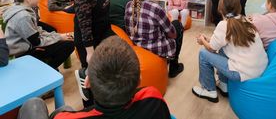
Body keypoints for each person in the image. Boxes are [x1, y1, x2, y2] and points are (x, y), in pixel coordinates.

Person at [17, 36, 172, 119]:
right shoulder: (154, 98)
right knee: (65, 109)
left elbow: (60, 116)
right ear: (139, 79)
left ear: (88, 82)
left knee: (34, 104)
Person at [192, 0, 268, 103]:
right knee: (223, 48)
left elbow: (211, 49)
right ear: (239, 6)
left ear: (220, 8)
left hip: (242, 72)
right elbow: (221, 42)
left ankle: (209, 90)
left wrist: (203, 41)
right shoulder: (245, 20)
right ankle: (224, 85)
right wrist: (208, 39)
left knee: (203, 54)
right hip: (259, 68)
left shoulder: (224, 24)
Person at [2, 0, 74, 70]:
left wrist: (57, 36)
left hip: (29, 45)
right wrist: (59, 37)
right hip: (24, 52)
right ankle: (48, 70)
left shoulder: (24, 9)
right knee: (69, 44)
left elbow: (37, 31)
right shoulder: (23, 16)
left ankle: (48, 68)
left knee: (62, 40)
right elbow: (37, 42)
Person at [125, 0, 184, 78]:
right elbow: (172, 34)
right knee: (177, 25)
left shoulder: (129, 4)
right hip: (153, 47)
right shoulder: (156, 8)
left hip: (136, 44)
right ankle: (174, 67)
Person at [73, 0, 114, 104]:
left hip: (103, 31)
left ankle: (106, 99)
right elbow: (85, 27)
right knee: (92, 74)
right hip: (88, 39)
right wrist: (90, 52)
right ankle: (90, 106)